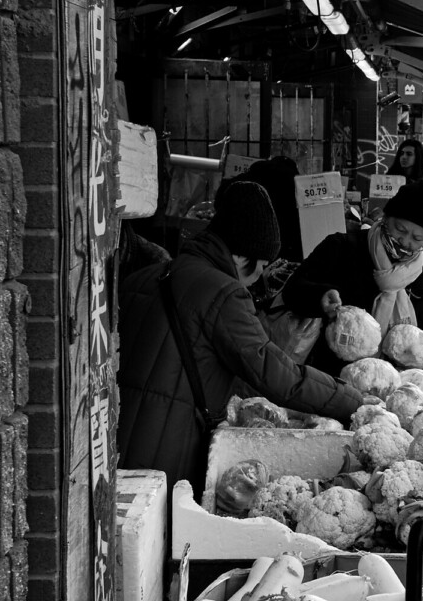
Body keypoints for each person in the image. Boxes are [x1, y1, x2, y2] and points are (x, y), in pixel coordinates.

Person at [117, 182, 365, 491]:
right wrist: (352, 400)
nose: (260, 274)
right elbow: (277, 375)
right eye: (261, 264)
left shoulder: (145, 276)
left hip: (113, 440)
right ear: (240, 255)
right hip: (165, 450)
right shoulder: (223, 292)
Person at [281, 180, 423, 376]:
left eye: (416, 238)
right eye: (400, 230)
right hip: (333, 382)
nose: (405, 242)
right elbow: (292, 291)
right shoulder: (341, 250)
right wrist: (321, 297)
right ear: (386, 217)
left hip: (400, 389)